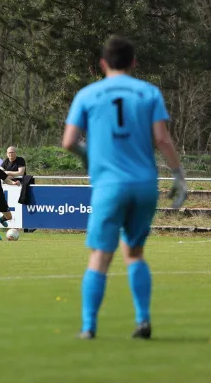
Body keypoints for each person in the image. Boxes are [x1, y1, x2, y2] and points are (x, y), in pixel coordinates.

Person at [62, 35, 187, 340]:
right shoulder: (149, 92)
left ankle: (89, 327)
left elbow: (68, 142)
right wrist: (178, 174)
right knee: (134, 252)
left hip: (109, 185)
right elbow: (161, 139)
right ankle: (143, 321)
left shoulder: (88, 94)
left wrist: (89, 156)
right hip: (144, 184)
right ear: (133, 62)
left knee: (100, 256)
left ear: (102, 64)